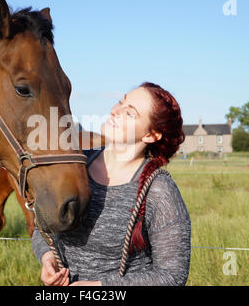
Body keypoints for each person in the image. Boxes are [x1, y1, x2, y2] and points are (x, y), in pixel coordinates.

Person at [31, 82, 191, 286]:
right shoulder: (74, 166)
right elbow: (43, 227)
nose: (116, 111)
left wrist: (99, 287)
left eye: (130, 113)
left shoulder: (158, 189)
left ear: (151, 135)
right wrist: (48, 258)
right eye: (120, 102)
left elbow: (172, 276)